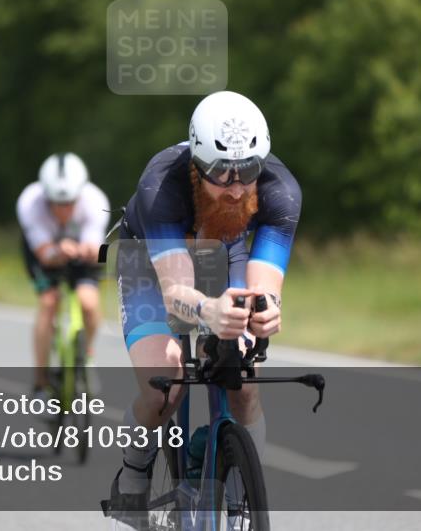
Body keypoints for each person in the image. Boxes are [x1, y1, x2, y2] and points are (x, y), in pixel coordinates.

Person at [104, 91, 302, 522]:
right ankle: (133, 477)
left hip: (223, 254)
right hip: (148, 258)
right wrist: (209, 311)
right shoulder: (161, 185)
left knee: (244, 385)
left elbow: (265, 284)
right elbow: (176, 292)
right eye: (220, 173)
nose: (235, 188)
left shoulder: (279, 192)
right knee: (166, 383)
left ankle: (237, 501)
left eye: (247, 171)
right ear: (196, 165)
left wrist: (266, 310)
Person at [16, 152, 109, 396]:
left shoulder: (95, 200)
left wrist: (88, 250)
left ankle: (85, 355)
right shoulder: (29, 203)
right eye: (57, 203)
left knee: (89, 303)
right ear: (46, 197)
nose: (64, 210)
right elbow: (43, 254)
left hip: (80, 251)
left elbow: (98, 251)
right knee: (48, 302)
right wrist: (58, 251)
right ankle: (41, 381)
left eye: (70, 202)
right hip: (44, 252)